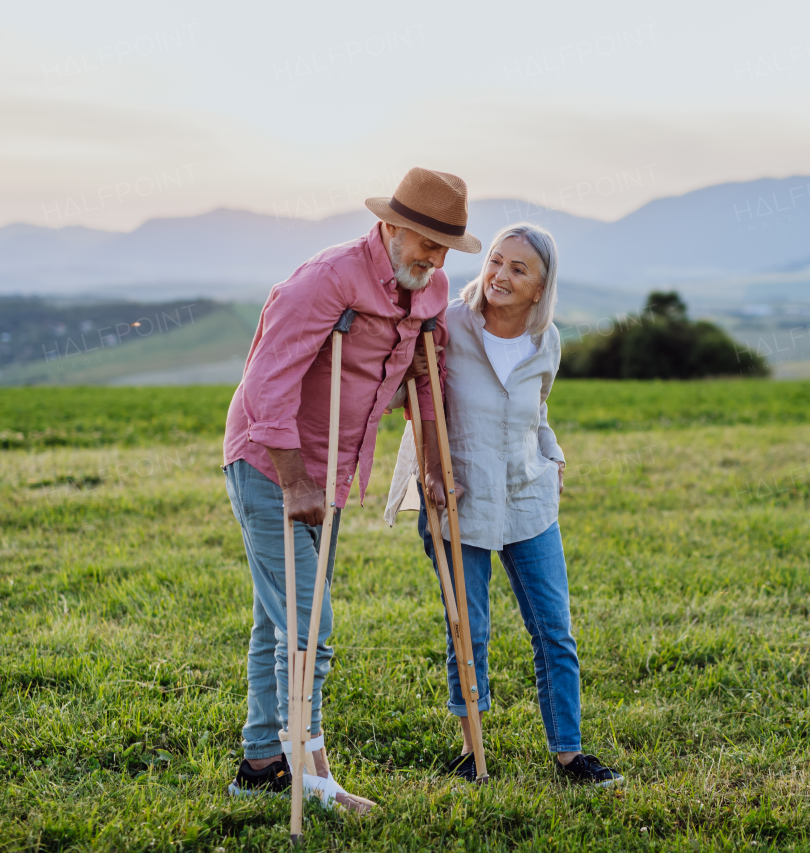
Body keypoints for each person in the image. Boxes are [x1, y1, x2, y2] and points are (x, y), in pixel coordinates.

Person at [222, 167, 481, 809]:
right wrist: (294, 481)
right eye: (424, 241)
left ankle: (261, 765)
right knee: (310, 623)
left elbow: (426, 378)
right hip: (271, 464)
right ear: (390, 226)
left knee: (278, 621)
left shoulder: (430, 289)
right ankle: (312, 773)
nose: (434, 257)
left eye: (444, 247)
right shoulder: (326, 280)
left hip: (332, 475)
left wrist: (428, 464)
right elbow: (265, 385)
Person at [386, 223, 624, 786]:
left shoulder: (548, 342)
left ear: (541, 288)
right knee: (468, 630)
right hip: (458, 495)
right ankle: (473, 754)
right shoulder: (446, 326)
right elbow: (410, 397)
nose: (500, 275)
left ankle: (570, 754)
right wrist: (427, 470)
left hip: (527, 498)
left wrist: (554, 455)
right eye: (496, 261)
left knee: (554, 630)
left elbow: (538, 411)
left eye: (519, 269)